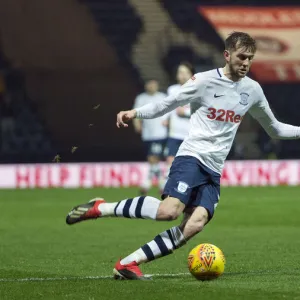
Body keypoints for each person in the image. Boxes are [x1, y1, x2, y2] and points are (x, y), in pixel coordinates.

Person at [66, 32, 300, 280]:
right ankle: (101, 208)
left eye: (250, 58)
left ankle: (127, 264)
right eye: (241, 57)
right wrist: (134, 113)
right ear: (227, 55)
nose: (245, 63)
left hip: (214, 169)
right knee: (169, 211)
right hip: (192, 156)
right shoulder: (203, 82)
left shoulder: (252, 90)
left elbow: (274, 128)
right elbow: (166, 104)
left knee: (195, 224)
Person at [132, 79, 168, 195]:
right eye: (150, 84)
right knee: (152, 159)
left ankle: (148, 183)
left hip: (160, 133)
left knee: (154, 158)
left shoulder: (162, 96)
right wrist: (137, 124)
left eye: (154, 84)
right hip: (147, 134)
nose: (152, 86)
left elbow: (169, 111)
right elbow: (136, 113)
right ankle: (161, 184)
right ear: (146, 85)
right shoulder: (141, 98)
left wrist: (168, 122)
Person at [163, 62, 195, 185]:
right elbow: (167, 106)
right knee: (170, 160)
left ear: (192, 74)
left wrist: (185, 112)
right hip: (174, 133)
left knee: (189, 162)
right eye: (180, 72)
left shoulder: (197, 90)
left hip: (190, 134)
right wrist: (166, 118)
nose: (182, 75)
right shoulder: (172, 89)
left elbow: (202, 109)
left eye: (185, 72)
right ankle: (167, 186)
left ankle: (187, 187)